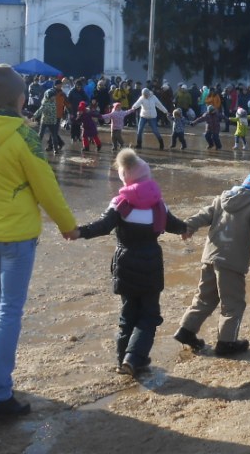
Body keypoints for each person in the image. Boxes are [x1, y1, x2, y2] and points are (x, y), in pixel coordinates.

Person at [0, 64, 78, 418]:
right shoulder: (22, 136)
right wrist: (67, 224)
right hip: (17, 236)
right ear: (19, 98)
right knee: (8, 313)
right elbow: (45, 185)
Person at [69, 149, 187, 377]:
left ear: (125, 178)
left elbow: (102, 226)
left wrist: (79, 232)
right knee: (149, 315)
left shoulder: (120, 203)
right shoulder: (158, 205)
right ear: (147, 177)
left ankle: (123, 360)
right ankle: (134, 359)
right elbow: (174, 224)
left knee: (127, 315)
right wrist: (186, 229)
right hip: (151, 265)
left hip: (125, 265)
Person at [174, 165, 250, 356]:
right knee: (233, 304)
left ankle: (186, 330)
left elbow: (203, 214)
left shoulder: (221, 199)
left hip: (210, 257)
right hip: (232, 263)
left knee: (204, 298)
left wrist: (188, 226)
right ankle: (226, 343)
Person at [33, 87, 65, 154]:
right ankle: (36, 147)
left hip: (51, 121)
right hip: (45, 121)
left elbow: (40, 110)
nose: (54, 98)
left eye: (54, 96)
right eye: (52, 97)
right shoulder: (46, 103)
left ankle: (55, 149)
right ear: (49, 97)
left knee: (53, 136)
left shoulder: (50, 102)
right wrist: (34, 116)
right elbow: (39, 111)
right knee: (41, 135)